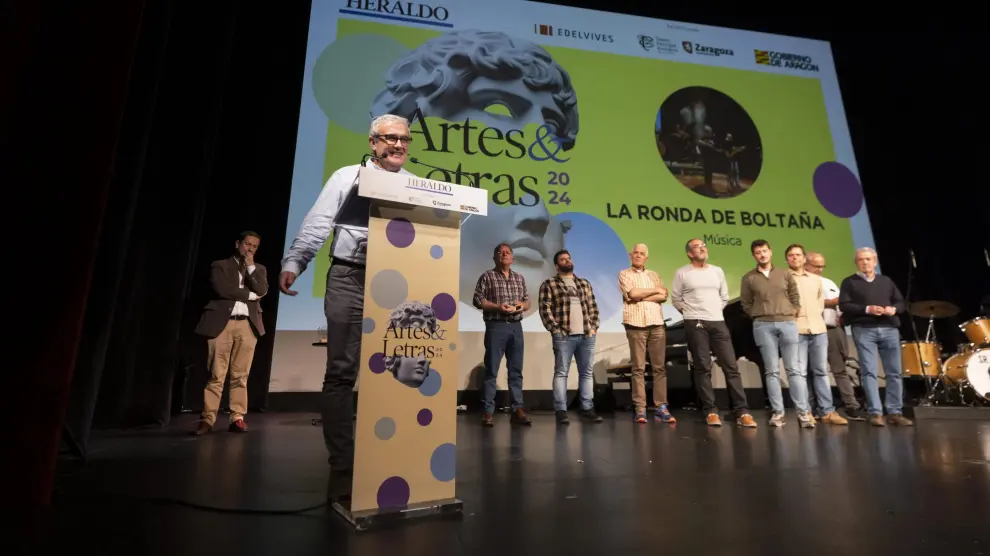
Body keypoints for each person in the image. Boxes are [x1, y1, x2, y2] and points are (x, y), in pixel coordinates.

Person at [278, 114, 416, 502]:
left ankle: (388, 450)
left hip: (397, 284)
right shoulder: (347, 176)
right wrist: (296, 260)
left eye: (405, 139)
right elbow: (319, 222)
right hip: (350, 278)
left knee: (397, 369)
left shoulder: (415, 186)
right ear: (373, 142)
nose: (399, 145)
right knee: (342, 370)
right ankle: (343, 460)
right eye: (390, 138)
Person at [671, 238, 757, 427]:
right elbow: (676, 299)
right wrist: (691, 314)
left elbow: (724, 297)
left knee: (731, 366)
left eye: (703, 246)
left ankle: (742, 411)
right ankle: (710, 411)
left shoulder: (717, 271)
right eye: (697, 247)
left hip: (718, 322)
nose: (702, 249)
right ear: (689, 253)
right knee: (703, 367)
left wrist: (714, 311)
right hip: (696, 323)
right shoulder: (682, 273)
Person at [192, 231, 267, 435]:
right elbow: (222, 289)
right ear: (238, 244)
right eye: (247, 244)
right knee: (216, 374)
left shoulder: (258, 269)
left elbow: (263, 289)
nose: (249, 249)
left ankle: (237, 418)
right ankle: (208, 419)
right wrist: (250, 295)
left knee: (240, 375)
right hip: (221, 324)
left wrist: (251, 268)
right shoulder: (220, 265)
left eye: (254, 246)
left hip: (247, 325)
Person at [739, 239, 812, 428]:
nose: (762, 255)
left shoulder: (785, 273)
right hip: (763, 325)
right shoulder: (749, 277)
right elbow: (745, 303)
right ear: (754, 255)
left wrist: (792, 311)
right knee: (771, 370)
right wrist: (757, 315)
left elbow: (795, 296)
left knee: (794, 369)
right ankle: (778, 412)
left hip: (787, 323)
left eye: (764, 251)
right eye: (758, 252)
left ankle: (803, 413)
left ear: (770, 252)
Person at [838, 247, 914, 427]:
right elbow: (845, 305)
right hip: (864, 329)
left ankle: (895, 411)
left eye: (868, 259)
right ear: (856, 262)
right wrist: (867, 309)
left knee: (894, 372)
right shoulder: (849, 282)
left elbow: (901, 303)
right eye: (861, 259)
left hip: (889, 329)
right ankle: (875, 413)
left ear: (875, 261)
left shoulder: (886, 281)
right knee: (869, 371)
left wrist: (893, 309)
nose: (865, 262)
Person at [537, 249, 603, 424]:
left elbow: (593, 307)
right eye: (562, 259)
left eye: (568, 258)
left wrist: (594, 327)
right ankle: (561, 410)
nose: (567, 261)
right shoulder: (549, 284)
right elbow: (545, 309)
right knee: (561, 373)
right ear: (557, 265)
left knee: (586, 373)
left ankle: (587, 408)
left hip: (587, 336)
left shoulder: (584, 283)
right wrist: (555, 330)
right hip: (564, 336)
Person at [785, 245, 848, 426]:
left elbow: (820, 303)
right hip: (797, 329)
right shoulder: (784, 278)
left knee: (821, 371)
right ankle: (805, 411)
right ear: (787, 259)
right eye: (791, 255)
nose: (795, 258)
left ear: (804, 258)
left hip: (818, 329)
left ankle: (827, 411)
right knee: (801, 373)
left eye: (798, 255)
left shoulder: (816, 280)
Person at [473, 242, 532, 427]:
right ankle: (488, 411)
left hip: (516, 326)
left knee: (516, 371)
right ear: (495, 258)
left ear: (512, 258)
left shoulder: (519, 278)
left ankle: (517, 409)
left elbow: (527, 302)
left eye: (507, 252)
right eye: (500, 252)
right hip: (496, 326)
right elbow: (477, 299)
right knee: (491, 370)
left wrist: (521, 306)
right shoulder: (487, 276)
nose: (504, 254)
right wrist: (498, 307)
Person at [805, 251, 866, 420]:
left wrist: (843, 313)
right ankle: (814, 407)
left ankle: (851, 405)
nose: (820, 269)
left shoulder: (828, 282)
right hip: (812, 329)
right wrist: (831, 302)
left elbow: (841, 304)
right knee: (813, 370)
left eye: (822, 266)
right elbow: (805, 302)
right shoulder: (800, 282)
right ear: (806, 264)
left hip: (833, 329)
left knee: (840, 369)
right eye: (816, 266)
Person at [618, 243, 675, 424]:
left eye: (642, 253)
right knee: (638, 368)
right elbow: (633, 294)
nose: (638, 255)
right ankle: (640, 408)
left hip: (656, 323)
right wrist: (653, 292)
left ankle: (661, 406)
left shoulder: (654, 274)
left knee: (659, 368)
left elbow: (663, 295)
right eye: (635, 253)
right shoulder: (624, 274)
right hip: (635, 324)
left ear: (646, 258)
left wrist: (644, 294)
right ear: (630, 255)